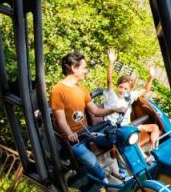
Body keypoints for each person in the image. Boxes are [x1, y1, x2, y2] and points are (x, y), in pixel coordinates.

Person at [50, 51, 125, 182]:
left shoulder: (82, 89)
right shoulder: (58, 90)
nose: (86, 71)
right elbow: (60, 119)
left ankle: (124, 173)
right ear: (74, 68)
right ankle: (105, 182)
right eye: (84, 68)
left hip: (88, 132)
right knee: (91, 161)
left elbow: (95, 111)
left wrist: (114, 109)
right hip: (74, 139)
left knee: (120, 137)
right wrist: (69, 133)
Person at [103, 49, 162, 150]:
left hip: (128, 126)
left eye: (125, 88)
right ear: (117, 86)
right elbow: (109, 80)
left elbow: (146, 89)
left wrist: (151, 77)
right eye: (120, 87)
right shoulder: (111, 95)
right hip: (115, 129)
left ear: (130, 90)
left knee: (155, 127)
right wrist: (111, 62)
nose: (122, 90)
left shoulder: (130, 95)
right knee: (131, 140)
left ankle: (154, 149)